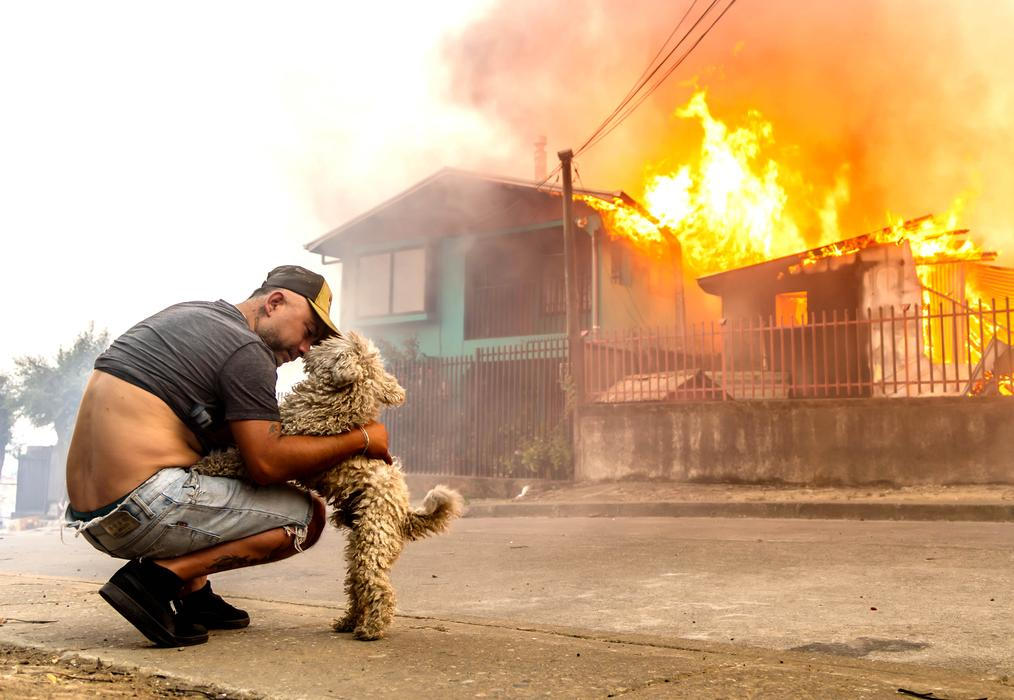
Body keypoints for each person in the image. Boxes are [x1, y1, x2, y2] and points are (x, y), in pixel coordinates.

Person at [65, 265, 392, 647]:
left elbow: (216, 440)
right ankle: (155, 582)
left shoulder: (190, 315)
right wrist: (363, 439)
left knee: (212, 459)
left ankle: (194, 596)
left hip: (92, 519)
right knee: (307, 518)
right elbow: (266, 464)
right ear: (274, 302)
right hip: (143, 505)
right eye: (308, 332)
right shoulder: (247, 350)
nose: (305, 349)